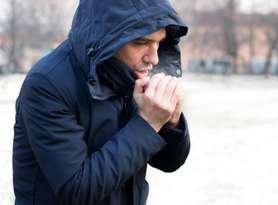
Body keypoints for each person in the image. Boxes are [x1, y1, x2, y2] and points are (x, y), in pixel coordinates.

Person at [12, 0, 190, 204]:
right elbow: (77, 190)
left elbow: (170, 162)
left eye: (159, 42)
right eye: (141, 43)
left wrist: (171, 123)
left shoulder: (131, 73)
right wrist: (149, 123)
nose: (154, 58)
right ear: (107, 36)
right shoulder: (47, 84)